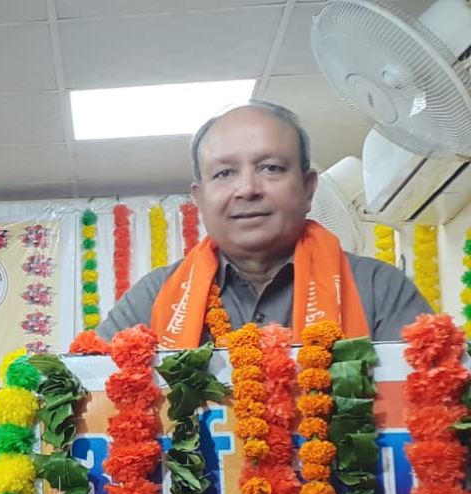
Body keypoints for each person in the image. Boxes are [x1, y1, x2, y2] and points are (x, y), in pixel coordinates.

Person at [96, 100, 432, 347]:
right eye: (224, 173)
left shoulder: (379, 289)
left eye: (270, 168)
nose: (247, 189)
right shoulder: (153, 298)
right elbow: (91, 398)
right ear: (200, 198)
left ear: (308, 188)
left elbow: (434, 407)